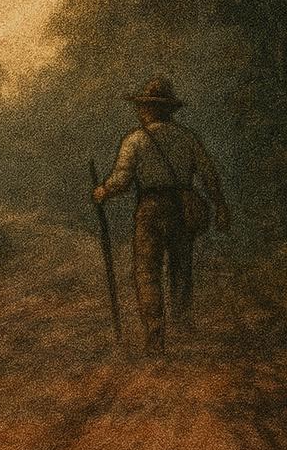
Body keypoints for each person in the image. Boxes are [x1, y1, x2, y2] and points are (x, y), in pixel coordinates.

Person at [91, 76, 230, 350]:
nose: (140, 111)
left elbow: (122, 179)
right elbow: (207, 173)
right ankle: (182, 322)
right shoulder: (187, 138)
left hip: (150, 210)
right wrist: (220, 205)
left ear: (148, 109)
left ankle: (155, 331)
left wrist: (102, 191)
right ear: (169, 110)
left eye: (143, 107)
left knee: (147, 270)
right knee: (181, 265)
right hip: (181, 208)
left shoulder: (135, 140)